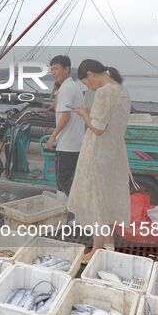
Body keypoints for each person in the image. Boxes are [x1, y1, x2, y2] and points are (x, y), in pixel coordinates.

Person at [68, 59, 132, 263]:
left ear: (91, 74)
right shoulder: (121, 89)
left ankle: (96, 249)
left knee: (96, 199)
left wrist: (84, 115)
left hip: (98, 151)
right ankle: (108, 241)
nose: (89, 87)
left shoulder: (104, 92)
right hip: (114, 151)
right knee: (108, 195)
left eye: (87, 83)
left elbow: (97, 128)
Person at [45, 55, 85, 196]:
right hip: (76, 142)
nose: (53, 73)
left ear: (66, 69)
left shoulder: (67, 88)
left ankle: (74, 212)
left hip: (67, 144)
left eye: (56, 69)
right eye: (52, 70)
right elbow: (62, 108)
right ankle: (65, 209)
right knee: (66, 180)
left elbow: (65, 115)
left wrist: (52, 137)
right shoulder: (74, 86)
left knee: (63, 180)